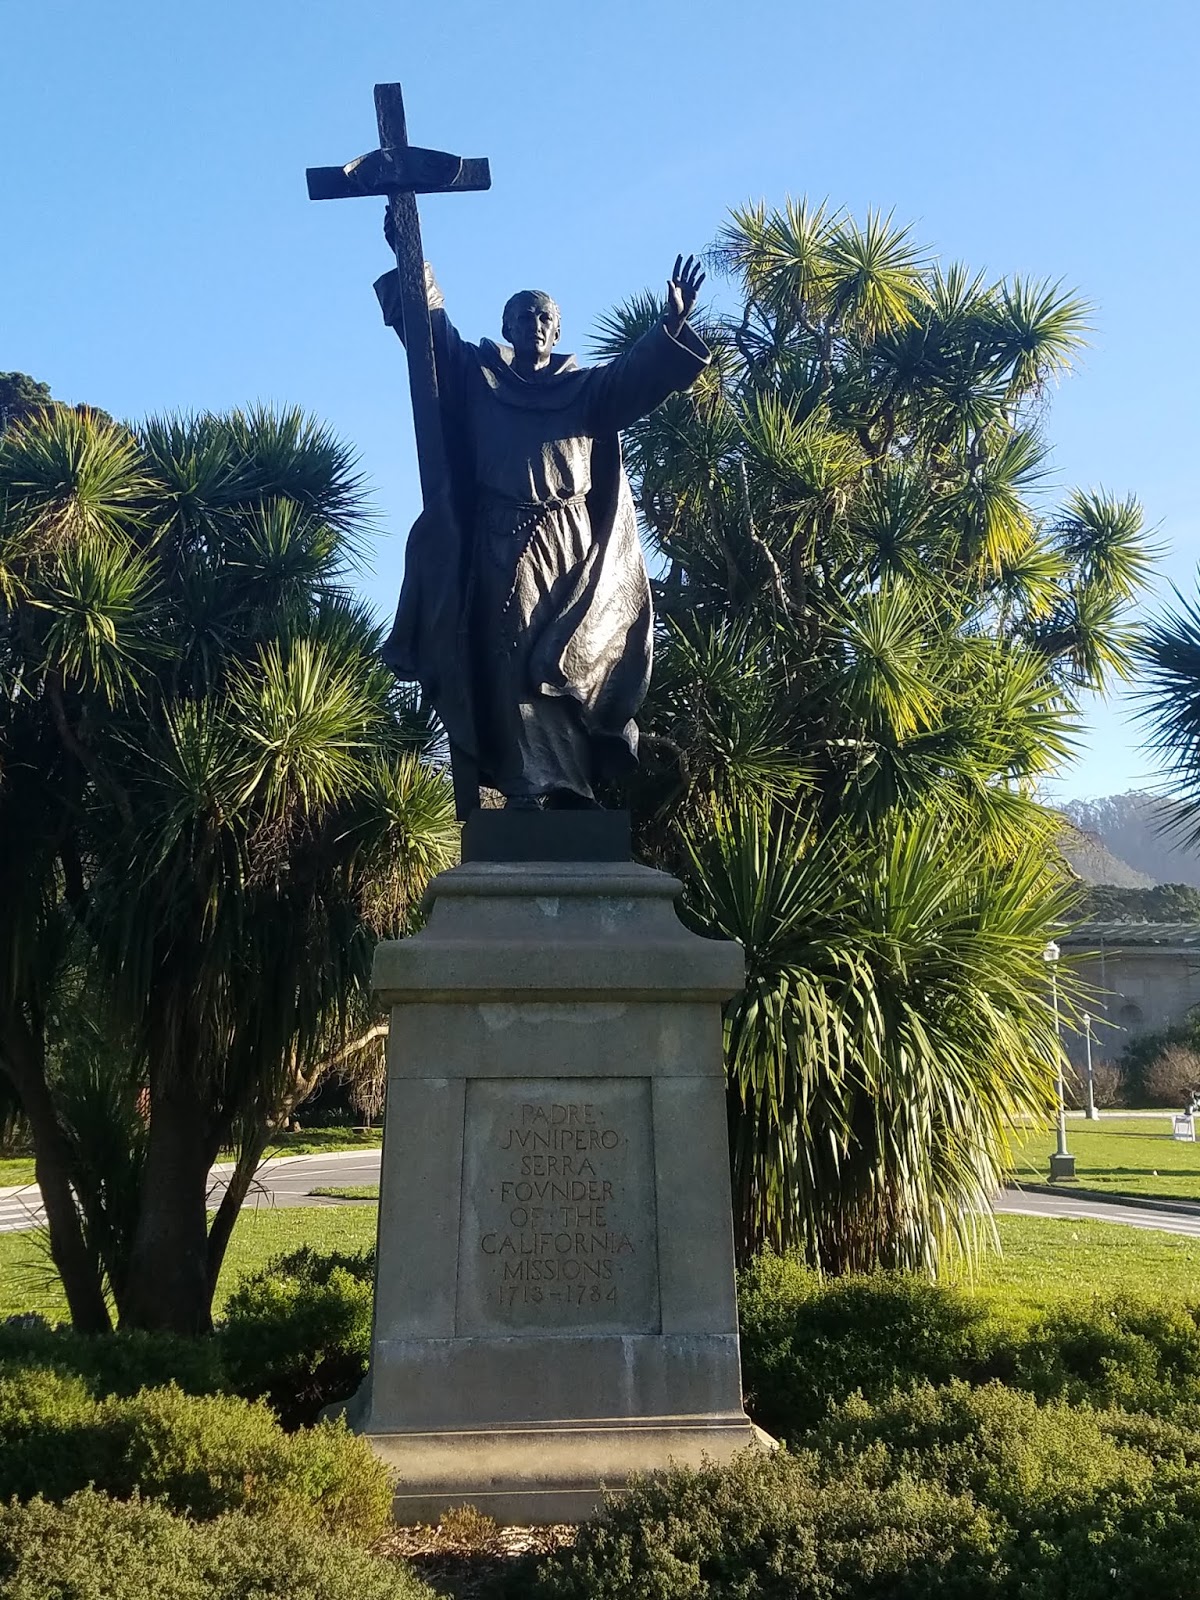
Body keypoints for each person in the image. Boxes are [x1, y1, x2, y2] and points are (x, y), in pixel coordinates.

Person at [375, 239, 708, 810]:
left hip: (572, 542)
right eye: (524, 314)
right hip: (501, 541)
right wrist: (411, 254)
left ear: (557, 333)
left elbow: (636, 377)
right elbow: (430, 334)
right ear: (507, 326)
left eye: (545, 317)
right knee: (510, 659)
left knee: (571, 658)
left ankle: (573, 788)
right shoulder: (478, 377)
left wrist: (671, 327)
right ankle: (526, 791)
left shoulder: (584, 390)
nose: (535, 323)